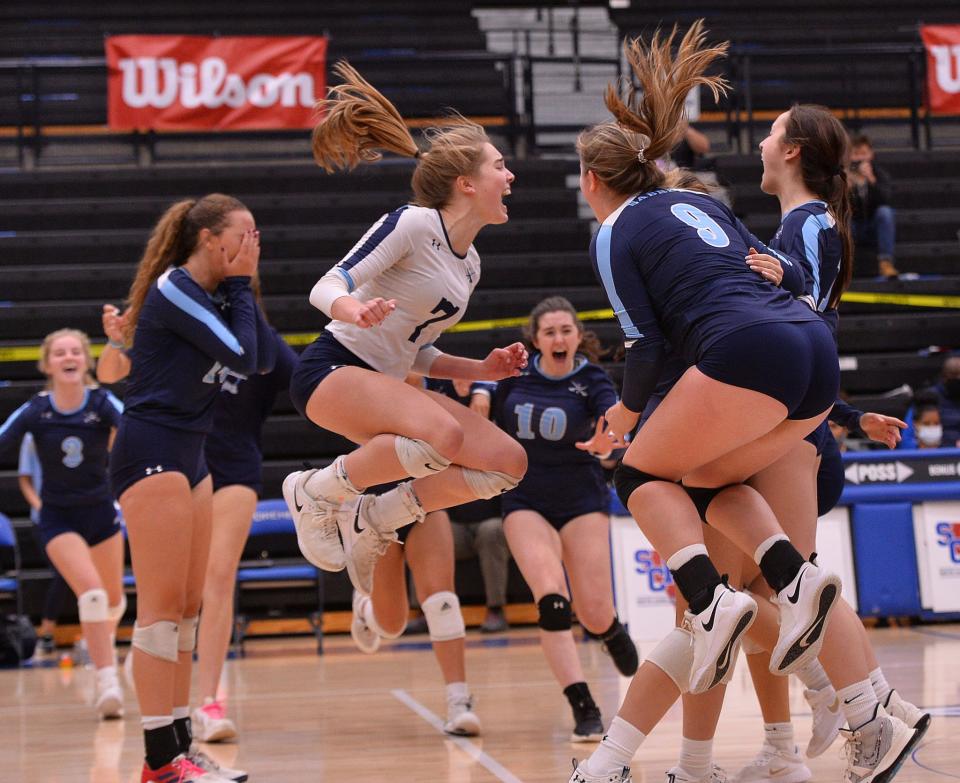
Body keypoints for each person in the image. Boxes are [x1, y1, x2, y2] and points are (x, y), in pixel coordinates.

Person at [569, 24, 919, 783]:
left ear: (594, 182)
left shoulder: (628, 230)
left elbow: (650, 347)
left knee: (644, 488)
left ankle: (762, 668)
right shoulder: (704, 206)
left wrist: (625, 419)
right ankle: (815, 644)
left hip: (754, 374)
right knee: (720, 505)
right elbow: (784, 308)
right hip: (806, 374)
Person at [661, 102, 927, 783]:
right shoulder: (792, 225)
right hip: (792, 421)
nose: (761, 141)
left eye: (774, 131)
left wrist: (789, 284)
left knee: (757, 591)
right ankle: (800, 735)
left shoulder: (809, 225)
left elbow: (802, 319)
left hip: (786, 431)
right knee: (746, 591)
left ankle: (865, 708)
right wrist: (849, 412)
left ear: (794, 150)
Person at [281, 62, 528, 600]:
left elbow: (414, 351)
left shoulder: (470, 263)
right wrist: (352, 310)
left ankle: (377, 515)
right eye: (499, 166)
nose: (510, 177)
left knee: (508, 462)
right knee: (444, 436)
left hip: (386, 383)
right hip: (333, 370)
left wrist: (479, 369)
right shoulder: (414, 223)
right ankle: (313, 491)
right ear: (466, 183)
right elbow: (327, 284)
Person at [109, 193, 272, 783]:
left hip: (192, 455)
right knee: (157, 615)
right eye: (245, 234)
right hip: (150, 450)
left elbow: (257, 357)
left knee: (186, 612)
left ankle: (179, 749)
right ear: (210, 240)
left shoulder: (213, 294)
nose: (254, 245)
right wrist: (242, 285)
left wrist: (235, 288)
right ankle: (159, 761)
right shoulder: (177, 287)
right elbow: (243, 355)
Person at [99, 297, 297, 753]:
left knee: (217, 578)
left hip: (236, 472)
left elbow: (307, 381)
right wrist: (114, 340)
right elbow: (110, 374)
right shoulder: (180, 315)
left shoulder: (258, 336)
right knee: (175, 597)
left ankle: (210, 702)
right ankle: (159, 675)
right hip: (179, 464)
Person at [492, 296, 638, 742]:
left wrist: (609, 447)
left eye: (566, 330)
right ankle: (583, 705)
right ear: (535, 340)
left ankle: (608, 629)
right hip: (525, 499)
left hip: (581, 497)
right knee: (552, 600)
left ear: (578, 336)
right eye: (549, 332)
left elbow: (616, 430)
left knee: (592, 611)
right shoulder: (513, 376)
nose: (559, 338)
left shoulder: (592, 379)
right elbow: (482, 414)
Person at [0, 330, 125, 717]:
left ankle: (104, 652)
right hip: (58, 518)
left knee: (113, 602)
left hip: (102, 514)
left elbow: (137, 435)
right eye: (59, 352)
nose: (68, 357)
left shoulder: (103, 403)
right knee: (91, 595)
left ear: (86, 361)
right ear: (48, 363)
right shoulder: (36, 410)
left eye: (75, 351)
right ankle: (108, 681)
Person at [18, 432, 71, 655]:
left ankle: (96, 634)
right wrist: (39, 506)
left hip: (79, 516)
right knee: (63, 572)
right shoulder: (32, 436)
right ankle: (47, 632)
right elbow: (25, 479)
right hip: (44, 521)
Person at [849, 134, 898, 278]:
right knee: (841, 219)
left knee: (886, 212)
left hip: (873, 226)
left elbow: (886, 199)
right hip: (853, 226)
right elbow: (836, 206)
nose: (860, 158)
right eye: (856, 154)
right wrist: (847, 189)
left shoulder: (879, 174)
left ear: (871, 154)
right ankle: (844, 267)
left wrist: (871, 180)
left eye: (863, 153)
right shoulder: (843, 176)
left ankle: (886, 263)